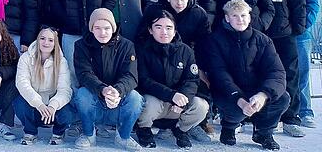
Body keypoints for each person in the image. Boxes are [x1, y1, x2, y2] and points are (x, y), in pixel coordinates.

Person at [203, 0, 289, 150]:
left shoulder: (263, 40)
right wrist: (239, 99)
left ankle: (263, 132)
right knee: (233, 108)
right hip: (230, 92)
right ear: (227, 18)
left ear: (249, 17)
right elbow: (219, 73)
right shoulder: (215, 40)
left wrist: (263, 95)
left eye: (243, 15)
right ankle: (229, 126)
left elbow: (276, 72)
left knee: (282, 98)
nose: (240, 19)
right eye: (235, 16)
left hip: (257, 91)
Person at [247, 0, 306, 137]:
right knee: (257, 75)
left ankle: (290, 118)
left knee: (290, 75)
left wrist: (297, 28)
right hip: (257, 36)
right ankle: (258, 116)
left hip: (283, 34)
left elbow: (298, 2)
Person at [266, 0, 320, 128]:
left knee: (301, 73)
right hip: (275, 34)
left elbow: (312, 2)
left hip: (298, 35)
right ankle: (278, 113)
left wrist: (302, 26)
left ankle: (305, 111)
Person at [135, 11, 208, 149]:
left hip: (177, 106)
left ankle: (180, 130)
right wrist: (171, 95)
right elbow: (143, 80)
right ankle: (144, 129)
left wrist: (183, 99)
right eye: (158, 27)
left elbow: (192, 79)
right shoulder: (142, 50)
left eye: (169, 28)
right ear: (150, 30)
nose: (164, 32)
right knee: (147, 103)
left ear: (175, 31)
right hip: (156, 102)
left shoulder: (186, 51)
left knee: (201, 106)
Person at [73, 8, 143, 151]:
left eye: (106, 28)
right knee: (82, 94)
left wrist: (117, 91)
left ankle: (123, 137)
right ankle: (88, 134)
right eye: (97, 28)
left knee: (136, 98)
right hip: (95, 100)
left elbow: (131, 76)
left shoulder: (126, 46)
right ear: (91, 29)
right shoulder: (81, 45)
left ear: (113, 27)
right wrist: (103, 89)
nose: (102, 32)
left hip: (118, 102)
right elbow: (84, 74)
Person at [14, 27, 74, 146]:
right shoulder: (26, 58)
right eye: (42, 38)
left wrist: (53, 106)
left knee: (67, 112)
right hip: (34, 105)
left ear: (55, 43)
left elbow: (65, 90)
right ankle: (30, 132)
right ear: (37, 39)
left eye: (50, 40)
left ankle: (58, 133)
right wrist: (39, 104)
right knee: (19, 102)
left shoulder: (61, 62)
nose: (46, 43)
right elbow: (22, 83)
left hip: (52, 107)